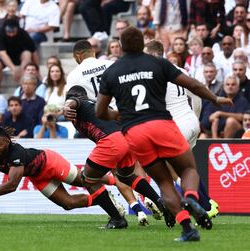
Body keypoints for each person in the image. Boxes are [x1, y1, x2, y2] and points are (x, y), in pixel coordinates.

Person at [96, 27, 233, 242]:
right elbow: (194, 85)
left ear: (121, 46)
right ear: (142, 44)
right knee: (187, 169)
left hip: (135, 132)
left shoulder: (112, 71)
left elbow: (99, 111)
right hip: (162, 124)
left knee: (164, 183)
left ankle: (188, 228)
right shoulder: (158, 63)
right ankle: (190, 197)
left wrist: (118, 116)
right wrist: (215, 99)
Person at [0, 117, 128, 229]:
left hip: (50, 162)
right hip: (38, 177)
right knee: (68, 204)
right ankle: (104, 200)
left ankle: (116, 181)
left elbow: (12, 185)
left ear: (7, 141)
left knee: (85, 180)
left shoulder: (16, 152)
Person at [63, 86, 169, 226]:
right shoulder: (94, 105)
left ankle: (117, 219)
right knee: (127, 176)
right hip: (126, 138)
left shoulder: (79, 104)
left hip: (111, 141)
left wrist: (66, 106)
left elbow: (73, 101)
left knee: (87, 179)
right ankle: (160, 202)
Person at [144, 40, 219, 218]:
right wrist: (195, 118)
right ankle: (207, 203)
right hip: (191, 121)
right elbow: (197, 96)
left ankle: (197, 203)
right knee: (187, 167)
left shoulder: (152, 74)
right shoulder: (181, 71)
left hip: (175, 126)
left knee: (168, 166)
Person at [0, 18, 36, 90]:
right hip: (2, 55)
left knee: (27, 54)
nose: (11, 35)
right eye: (9, 32)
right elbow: (2, 53)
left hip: (17, 55)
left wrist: (37, 68)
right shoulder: (0, 33)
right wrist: (13, 69)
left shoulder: (23, 33)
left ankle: (23, 85)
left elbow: (33, 51)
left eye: (13, 32)